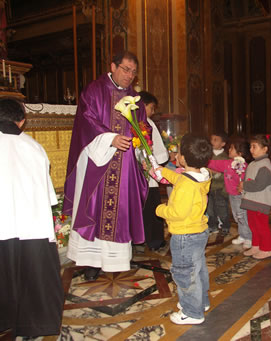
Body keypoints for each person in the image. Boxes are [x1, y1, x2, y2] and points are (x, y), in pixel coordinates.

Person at [63, 51, 149, 281]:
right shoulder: (95, 89)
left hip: (126, 164)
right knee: (94, 207)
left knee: (119, 209)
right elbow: (87, 120)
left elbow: (141, 126)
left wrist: (144, 141)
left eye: (133, 72)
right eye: (125, 69)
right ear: (113, 66)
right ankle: (91, 262)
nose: (129, 75)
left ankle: (116, 259)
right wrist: (109, 138)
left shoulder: (135, 98)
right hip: (98, 162)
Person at [0, 98, 64, 338]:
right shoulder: (33, 146)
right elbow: (49, 196)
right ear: (22, 121)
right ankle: (35, 324)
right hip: (32, 226)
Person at [154, 134, 213, 324]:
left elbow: (176, 212)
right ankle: (200, 302)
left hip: (184, 235)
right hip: (198, 232)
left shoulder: (187, 185)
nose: (176, 155)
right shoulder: (201, 175)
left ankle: (192, 312)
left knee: (184, 273)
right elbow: (180, 178)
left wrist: (160, 209)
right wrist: (163, 171)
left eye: (178, 152)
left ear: (183, 158)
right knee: (198, 270)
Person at [208, 136, 252, 248]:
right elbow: (214, 164)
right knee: (237, 217)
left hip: (240, 196)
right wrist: (204, 160)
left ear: (240, 153)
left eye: (232, 148)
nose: (229, 150)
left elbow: (246, 179)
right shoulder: (228, 163)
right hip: (232, 195)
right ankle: (242, 235)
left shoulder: (243, 166)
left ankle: (248, 237)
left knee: (242, 216)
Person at [138, 91, 169, 251]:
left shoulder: (127, 122)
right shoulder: (148, 124)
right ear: (142, 105)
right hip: (148, 176)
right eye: (151, 108)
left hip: (133, 178)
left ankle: (138, 239)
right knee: (152, 209)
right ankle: (155, 241)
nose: (153, 112)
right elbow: (160, 154)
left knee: (138, 210)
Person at [239, 134, 271, 260]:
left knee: (262, 226)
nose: (251, 150)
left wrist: (244, 185)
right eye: (250, 147)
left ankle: (266, 249)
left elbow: (259, 184)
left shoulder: (264, 165)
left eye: (254, 147)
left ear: (265, 149)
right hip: (251, 201)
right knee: (253, 225)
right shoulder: (253, 163)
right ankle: (256, 245)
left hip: (260, 202)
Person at [207, 131, 230, 234]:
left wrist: (215, 172)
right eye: (211, 139)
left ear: (223, 144)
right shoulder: (208, 155)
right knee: (210, 209)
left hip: (221, 188)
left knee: (222, 209)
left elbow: (227, 174)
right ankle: (213, 226)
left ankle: (225, 226)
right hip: (208, 187)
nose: (212, 142)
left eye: (216, 140)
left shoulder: (225, 157)